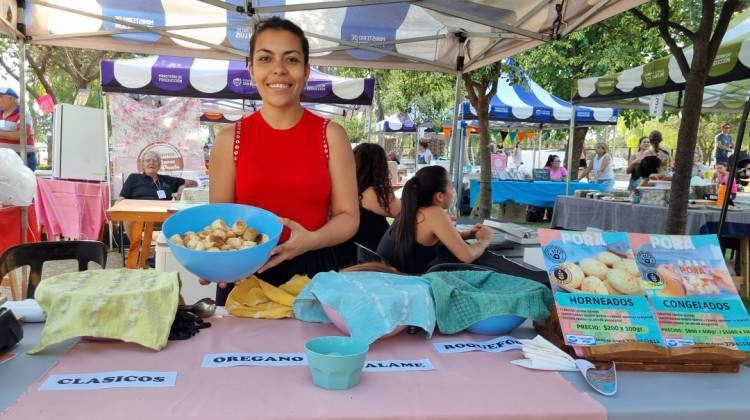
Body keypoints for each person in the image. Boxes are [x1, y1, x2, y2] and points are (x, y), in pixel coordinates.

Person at [206, 17, 359, 304]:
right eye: (265, 58)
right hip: (245, 273)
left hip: (314, 272)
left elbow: (349, 217)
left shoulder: (332, 135)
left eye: (291, 59)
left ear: (306, 71)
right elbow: (221, 224)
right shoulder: (229, 139)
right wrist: (210, 259)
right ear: (251, 70)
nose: (278, 69)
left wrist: (309, 241)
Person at [376, 165, 493, 274]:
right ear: (439, 196)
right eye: (451, 188)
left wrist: (467, 234)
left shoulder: (412, 210)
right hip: (403, 281)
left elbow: (434, 238)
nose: (453, 192)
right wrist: (484, 240)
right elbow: (467, 256)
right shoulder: (434, 213)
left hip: (387, 276)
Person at [335, 143, 401, 268]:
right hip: (370, 265)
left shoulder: (344, 191)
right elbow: (411, 212)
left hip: (343, 260)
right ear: (380, 167)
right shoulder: (374, 194)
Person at [117, 150, 198, 239]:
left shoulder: (167, 179)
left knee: (183, 216)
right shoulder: (134, 178)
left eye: (154, 161)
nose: (151, 163)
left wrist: (183, 186)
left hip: (163, 215)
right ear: (142, 164)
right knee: (128, 219)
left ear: (159, 165)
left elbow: (194, 183)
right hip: (139, 214)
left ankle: (174, 246)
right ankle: (137, 247)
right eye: (147, 161)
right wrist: (119, 203)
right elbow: (122, 197)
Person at [0, 87, 36, 171]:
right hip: (3, 160)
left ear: (11, 99)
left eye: (0, 97)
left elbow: (22, 135)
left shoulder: (23, 115)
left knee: (23, 184)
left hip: (23, 160)